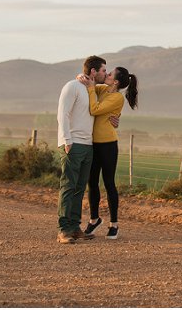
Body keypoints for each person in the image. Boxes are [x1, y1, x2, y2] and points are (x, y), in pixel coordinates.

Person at [77, 66, 139, 240]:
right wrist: (82, 77)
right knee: (92, 183)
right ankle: (94, 219)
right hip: (93, 144)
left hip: (108, 145)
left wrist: (90, 90)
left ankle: (114, 224)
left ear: (116, 81)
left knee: (109, 183)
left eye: (110, 74)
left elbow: (95, 109)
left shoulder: (117, 98)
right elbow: (87, 84)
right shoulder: (102, 89)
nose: (107, 75)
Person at [56, 55, 108, 244]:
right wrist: (67, 140)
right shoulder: (72, 86)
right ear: (93, 71)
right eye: (103, 70)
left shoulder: (93, 89)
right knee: (68, 186)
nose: (105, 73)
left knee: (79, 188)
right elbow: (63, 114)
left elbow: (114, 90)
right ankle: (63, 230)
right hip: (72, 143)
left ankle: (74, 227)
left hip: (88, 145)